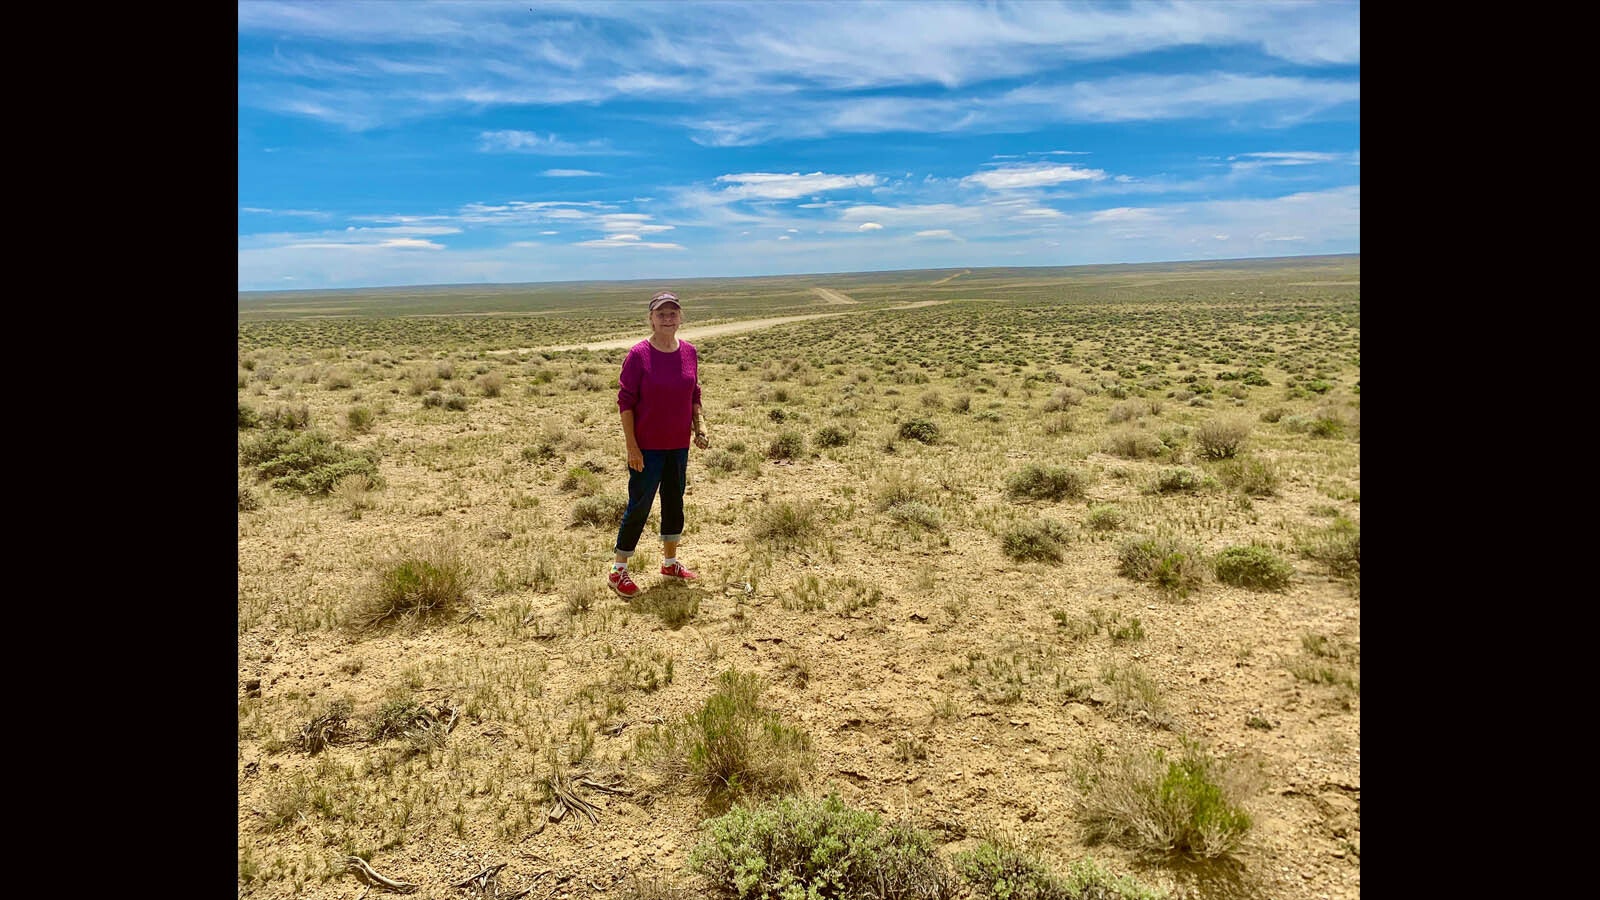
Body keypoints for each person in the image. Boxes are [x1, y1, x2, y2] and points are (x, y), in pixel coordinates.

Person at [608, 290, 711, 598]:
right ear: (650, 319)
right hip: (647, 447)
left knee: (674, 501)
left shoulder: (689, 351)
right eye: (661, 314)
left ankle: (669, 562)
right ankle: (618, 570)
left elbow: (694, 395)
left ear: (680, 317)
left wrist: (700, 427)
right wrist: (632, 447)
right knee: (639, 504)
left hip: (678, 446)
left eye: (673, 313)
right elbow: (625, 402)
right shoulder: (638, 355)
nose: (668, 318)